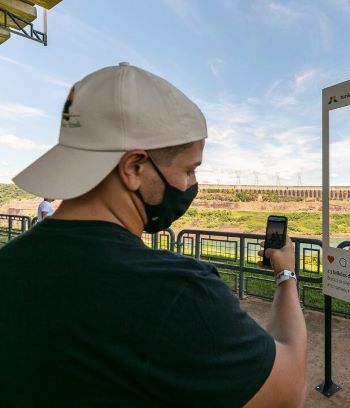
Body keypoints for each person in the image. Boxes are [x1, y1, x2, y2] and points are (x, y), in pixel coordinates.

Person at [0, 63, 307, 407]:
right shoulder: (178, 292)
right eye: (189, 170)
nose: (192, 185)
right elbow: (289, 388)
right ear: (134, 168)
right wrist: (285, 274)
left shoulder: (9, 261)